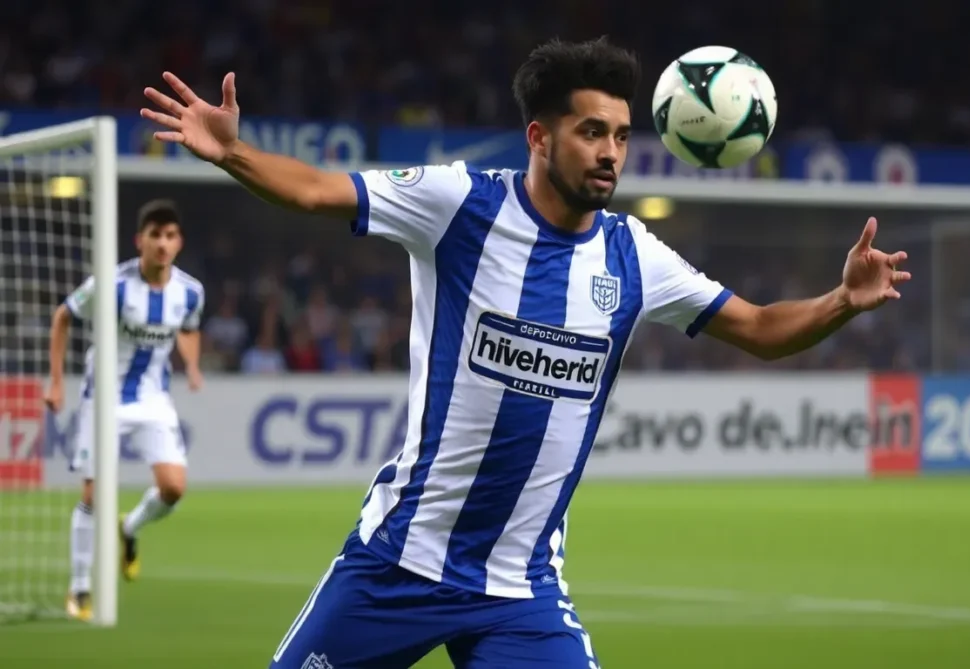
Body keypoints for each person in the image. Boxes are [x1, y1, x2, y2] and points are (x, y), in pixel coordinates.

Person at [140, 37, 910, 668]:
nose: (611, 153)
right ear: (540, 137)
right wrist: (233, 153)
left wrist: (842, 299)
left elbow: (762, 327)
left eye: (620, 136)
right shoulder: (458, 203)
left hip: (520, 590)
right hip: (399, 563)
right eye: (591, 133)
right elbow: (315, 189)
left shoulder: (633, 255)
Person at [44, 199, 205, 622]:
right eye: (155, 236)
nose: (163, 244)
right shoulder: (112, 285)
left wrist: (191, 365)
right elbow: (63, 316)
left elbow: (190, 330)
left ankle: (129, 528)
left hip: (153, 399)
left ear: (179, 242)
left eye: (170, 236)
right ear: (140, 241)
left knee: (174, 488)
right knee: (94, 494)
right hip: (103, 398)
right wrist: (56, 381)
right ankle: (80, 587)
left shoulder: (190, 292)